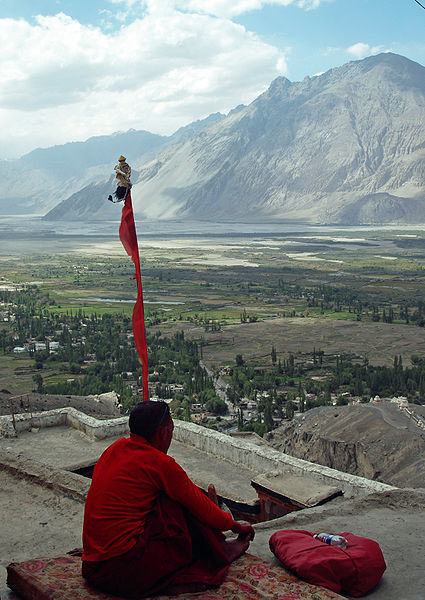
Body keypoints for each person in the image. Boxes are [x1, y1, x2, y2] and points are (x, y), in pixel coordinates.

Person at [82, 401, 255, 598]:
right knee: (173, 505)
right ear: (163, 433)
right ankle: (217, 552)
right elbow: (199, 505)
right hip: (123, 571)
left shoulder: (114, 449)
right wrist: (234, 525)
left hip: (92, 566)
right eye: (171, 431)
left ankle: (214, 548)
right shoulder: (160, 464)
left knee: (162, 499)